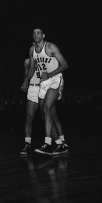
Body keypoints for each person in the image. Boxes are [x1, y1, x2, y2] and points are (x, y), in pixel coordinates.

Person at [28, 28, 69, 156]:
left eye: (38, 32)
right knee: (45, 113)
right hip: (43, 82)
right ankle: (60, 144)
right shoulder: (32, 50)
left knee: (46, 108)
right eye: (34, 33)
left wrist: (50, 74)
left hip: (55, 78)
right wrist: (26, 82)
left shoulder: (51, 47)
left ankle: (47, 143)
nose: (36, 34)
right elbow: (31, 68)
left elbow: (65, 65)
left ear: (43, 35)